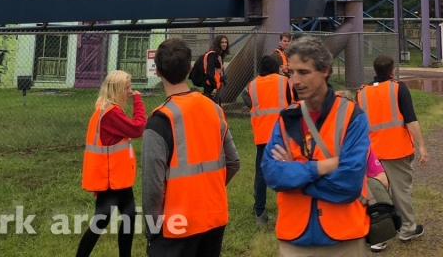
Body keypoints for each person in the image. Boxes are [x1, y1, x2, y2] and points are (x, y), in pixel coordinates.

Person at [262, 36, 370, 257]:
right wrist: (319, 168)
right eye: (291, 72)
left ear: (325, 71)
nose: (295, 81)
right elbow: (272, 174)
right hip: (295, 239)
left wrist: (294, 175)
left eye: (303, 72)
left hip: (344, 239)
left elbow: (349, 184)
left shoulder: (352, 117)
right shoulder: (286, 118)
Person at [142, 38, 241, 257]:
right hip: (213, 217)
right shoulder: (214, 109)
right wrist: (206, 191)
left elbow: (153, 187)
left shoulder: (160, 120)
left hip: (176, 227)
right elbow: (233, 162)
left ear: (157, 71)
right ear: (189, 69)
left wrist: (151, 229)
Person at [357, 54, 429, 243]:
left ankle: (377, 236)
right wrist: (422, 146)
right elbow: (410, 119)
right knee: (400, 191)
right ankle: (407, 228)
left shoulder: (361, 92)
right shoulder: (398, 88)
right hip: (396, 150)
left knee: (375, 194)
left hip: (371, 152)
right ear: (392, 71)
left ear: (374, 71)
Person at [78, 70, 147, 257]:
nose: (130, 92)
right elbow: (138, 128)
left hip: (115, 178)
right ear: (116, 90)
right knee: (103, 221)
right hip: (112, 179)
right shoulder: (111, 113)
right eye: (126, 88)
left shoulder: (104, 108)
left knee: (126, 217)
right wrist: (138, 102)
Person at [243, 53, 292, 225]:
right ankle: (289, 210)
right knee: (286, 170)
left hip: (262, 135)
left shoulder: (252, 85)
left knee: (261, 174)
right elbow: (293, 101)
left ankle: (260, 213)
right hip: (282, 134)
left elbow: (246, 98)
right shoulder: (283, 82)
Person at [202, 35, 230, 103]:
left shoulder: (219, 55)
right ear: (218, 44)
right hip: (211, 86)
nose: (224, 44)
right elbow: (210, 73)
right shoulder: (212, 55)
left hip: (216, 85)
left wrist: (221, 78)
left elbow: (216, 72)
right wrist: (214, 87)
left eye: (225, 42)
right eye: (222, 42)